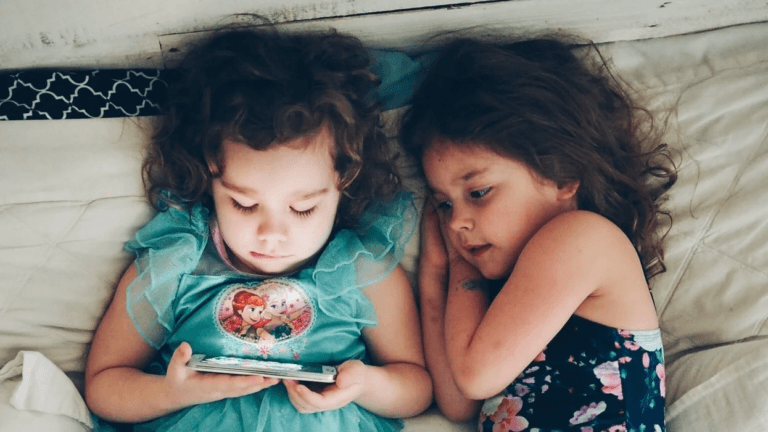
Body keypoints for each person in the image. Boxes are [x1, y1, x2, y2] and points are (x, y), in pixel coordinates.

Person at [84, 27, 432, 432]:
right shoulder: (176, 262)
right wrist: (174, 393)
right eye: (244, 204)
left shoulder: (363, 269)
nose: (271, 233)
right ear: (209, 178)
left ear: (345, 185)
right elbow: (105, 385)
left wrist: (365, 384)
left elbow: (416, 386)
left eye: (303, 209)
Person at [400, 37, 676, 431]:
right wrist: (434, 273)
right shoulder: (513, 289)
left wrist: (462, 266)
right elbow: (459, 402)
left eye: (478, 193)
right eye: (443, 204)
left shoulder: (584, 239)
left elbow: (474, 375)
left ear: (561, 175)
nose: (456, 222)